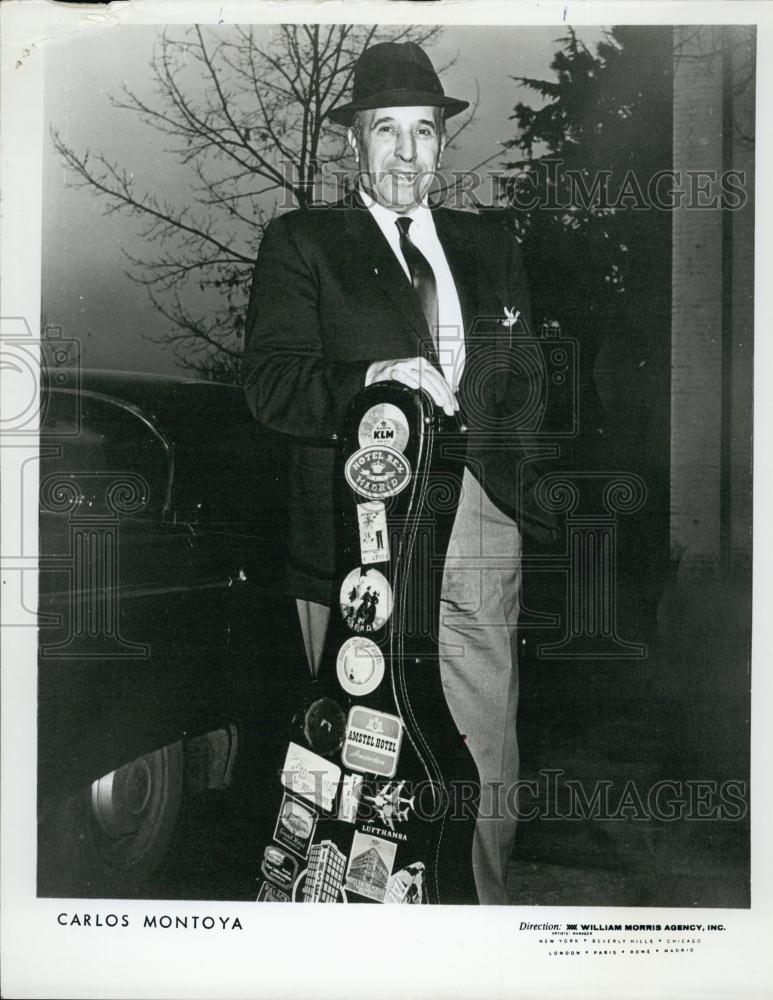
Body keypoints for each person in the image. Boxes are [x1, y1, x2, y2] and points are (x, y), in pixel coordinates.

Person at [243, 41, 557, 904]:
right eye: (389, 131)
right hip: (355, 545)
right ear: (354, 143)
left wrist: (519, 496)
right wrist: (372, 378)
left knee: (487, 758)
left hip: (480, 530)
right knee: (354, 768)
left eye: (425, 131)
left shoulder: (491, 244)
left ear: (444, 145)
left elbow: (523, 381)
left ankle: (481, 933)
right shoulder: (303, 242)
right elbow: (271, 387)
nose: (409, 153)